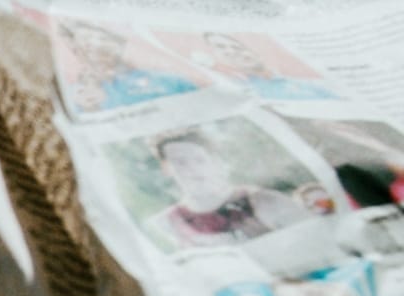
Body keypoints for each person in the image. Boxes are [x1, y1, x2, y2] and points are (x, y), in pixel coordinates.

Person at [144, 128, 312, 248]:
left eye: (199, 160)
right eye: (180, 162)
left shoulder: (264, 201)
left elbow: (317, 242)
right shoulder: (166, 224)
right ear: (166, 168)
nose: (191, 169)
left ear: (215, 162)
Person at [59, 20, 197, 113]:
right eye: (86, 44)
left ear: (120, 45)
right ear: (76, 51)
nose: (94, 49)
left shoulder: (169, 80)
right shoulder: (75, 95)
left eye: (101, 40)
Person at [202, 32, 336, 102]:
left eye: (237, 47)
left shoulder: (307, 83)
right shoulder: (237, 86)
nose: (232, 52)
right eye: (221, 48)